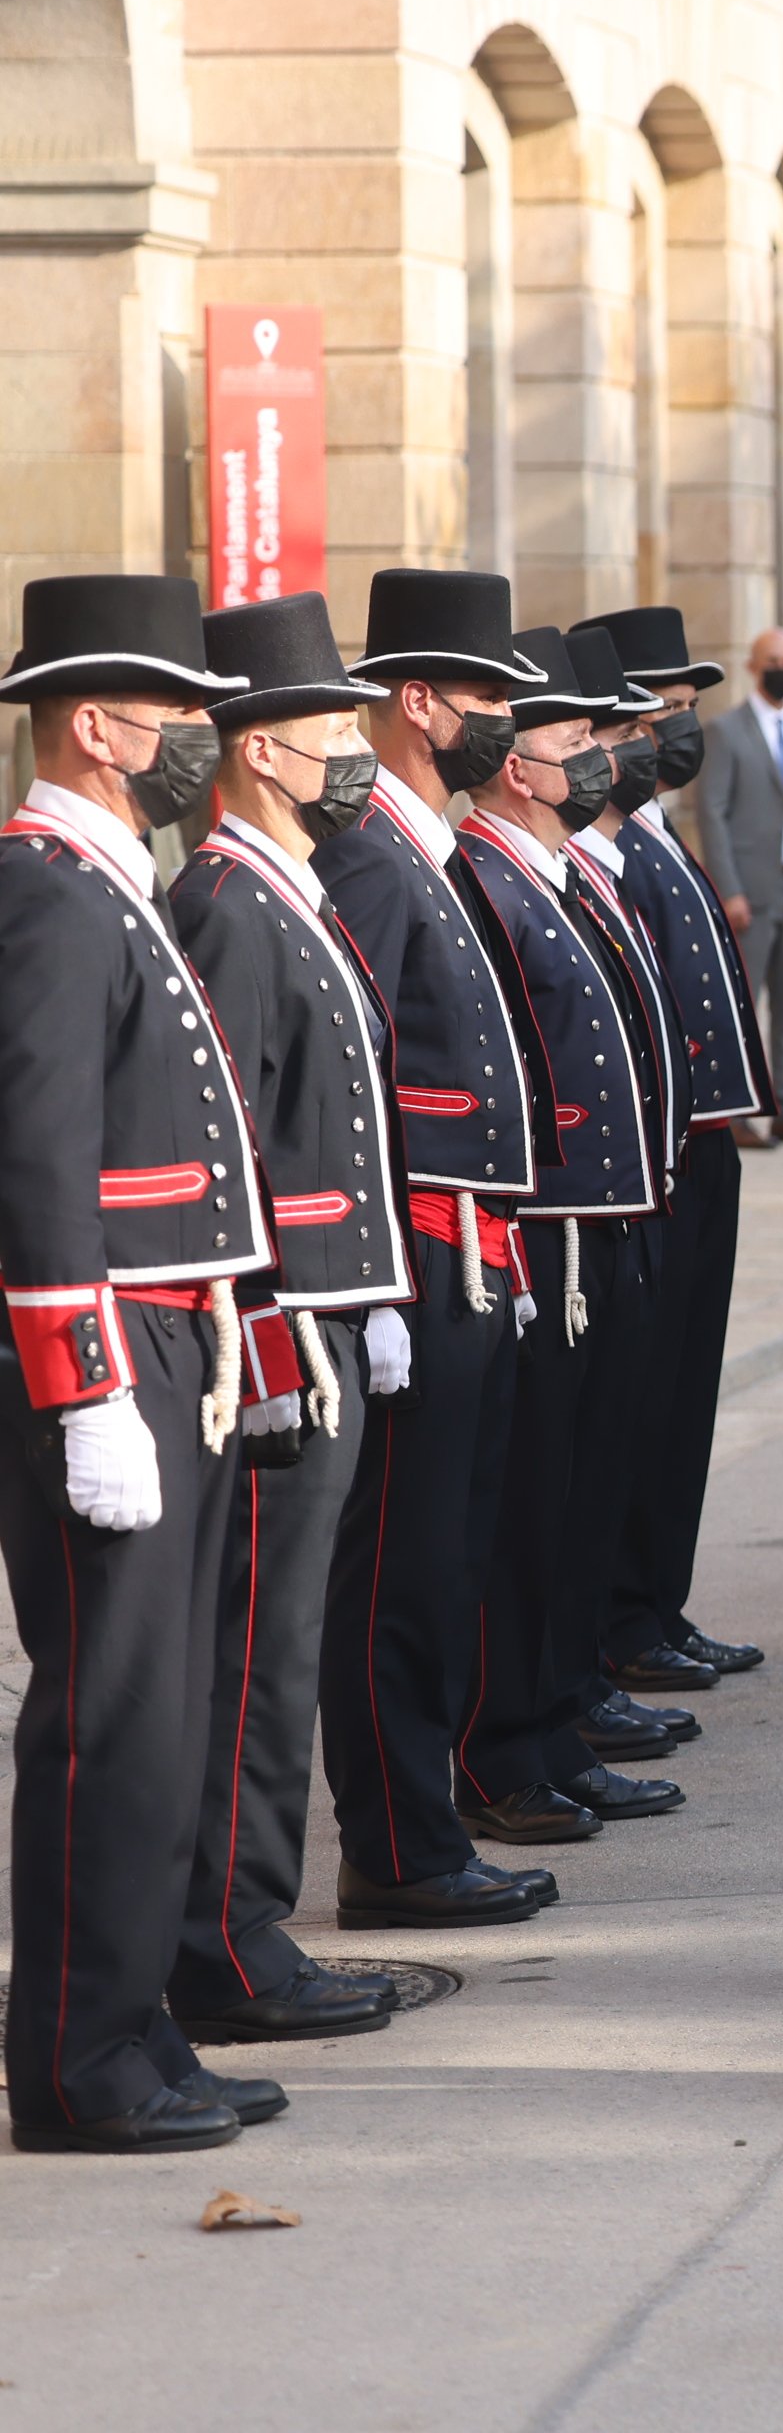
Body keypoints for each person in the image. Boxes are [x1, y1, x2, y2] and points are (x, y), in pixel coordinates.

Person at [0, 575, 282, 2154]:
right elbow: (39, 1161)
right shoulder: (46, 886)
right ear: (95, 724)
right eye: (176, 715)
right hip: (111, 1354)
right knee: (110, 1710)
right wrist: (83, 1384)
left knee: (163, 1708)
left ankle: (134, 2022)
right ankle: (76, 2059)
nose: (201, 739)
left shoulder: (107, 878)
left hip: (179, 1340)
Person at [161, 593, 420, 2058]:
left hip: (334, 1318)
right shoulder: (231, 904)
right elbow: (230, 1144)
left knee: (288, 1637)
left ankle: (246, 1916)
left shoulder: (290, 892)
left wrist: (369, 1288)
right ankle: (233, 1937)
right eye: (330, 726)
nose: (355, 748)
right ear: (259, 751)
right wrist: (268, 1330)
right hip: (283, 1343)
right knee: (259, 1650)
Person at [314, 568, 558, 1934]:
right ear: (419, 704)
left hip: (472, 1256)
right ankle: (395, 1847)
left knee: (449, 1557)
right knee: (399, 1571)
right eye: (486, 697)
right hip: (414, 1261)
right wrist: (384, 1278)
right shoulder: (368, 853)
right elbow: (356, 1091)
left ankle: (427, 1825)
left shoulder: (424, 849)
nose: (503, 722)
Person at [448, 628, 680, 1851]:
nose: (600, 760)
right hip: (553, 1237)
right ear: (520, 772)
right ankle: (506, 1746)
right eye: (575, 743)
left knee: (586, 1492)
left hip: (612, 1221)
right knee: (532, 1507)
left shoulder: (565, 872)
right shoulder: (486, 874)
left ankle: (558, 1717)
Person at [568, 605, 776, 1692]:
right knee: (638, 1403)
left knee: (684, 1391)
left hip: (701, 1145)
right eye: (660, 715)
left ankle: (659, 1600)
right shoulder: (602, 852)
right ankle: (623, 1617)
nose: (675, 736)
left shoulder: (655, 839)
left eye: (688, 714)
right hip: (654, 1157)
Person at [698, 622, 783, 1127]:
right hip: (752, 889)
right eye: (773, 662)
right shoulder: (727, 731)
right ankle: (736, 1112)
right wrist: (728, 888)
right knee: (745, 1003)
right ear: (754, 667)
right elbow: (712, 812)